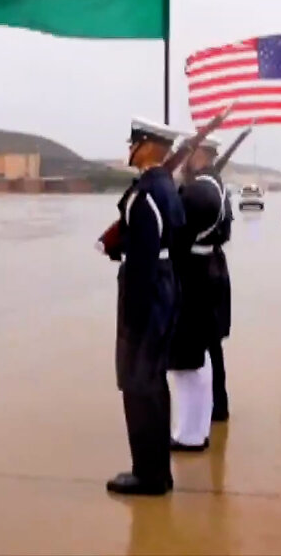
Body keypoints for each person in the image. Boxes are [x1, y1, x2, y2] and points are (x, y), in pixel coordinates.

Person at [105, 117, 185, 496]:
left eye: (135, 143)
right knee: (152, 382)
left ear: (150, 147)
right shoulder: (164, 187)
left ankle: (148, 474)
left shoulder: (148, 193)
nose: (130, 150)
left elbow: (144, 257)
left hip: (147, 293)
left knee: (138, 384)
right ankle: (157, 471)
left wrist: (134, 317)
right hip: (164, 287)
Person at [169, 135, 232, 450]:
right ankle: (213, 410)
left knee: (190, 353)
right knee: (207, 347)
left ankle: (190, 432)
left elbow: (174, 234)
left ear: (199, 154)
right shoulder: (215, 185)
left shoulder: (199, 191)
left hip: (194, 274)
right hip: (210, 266)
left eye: (186, 154)